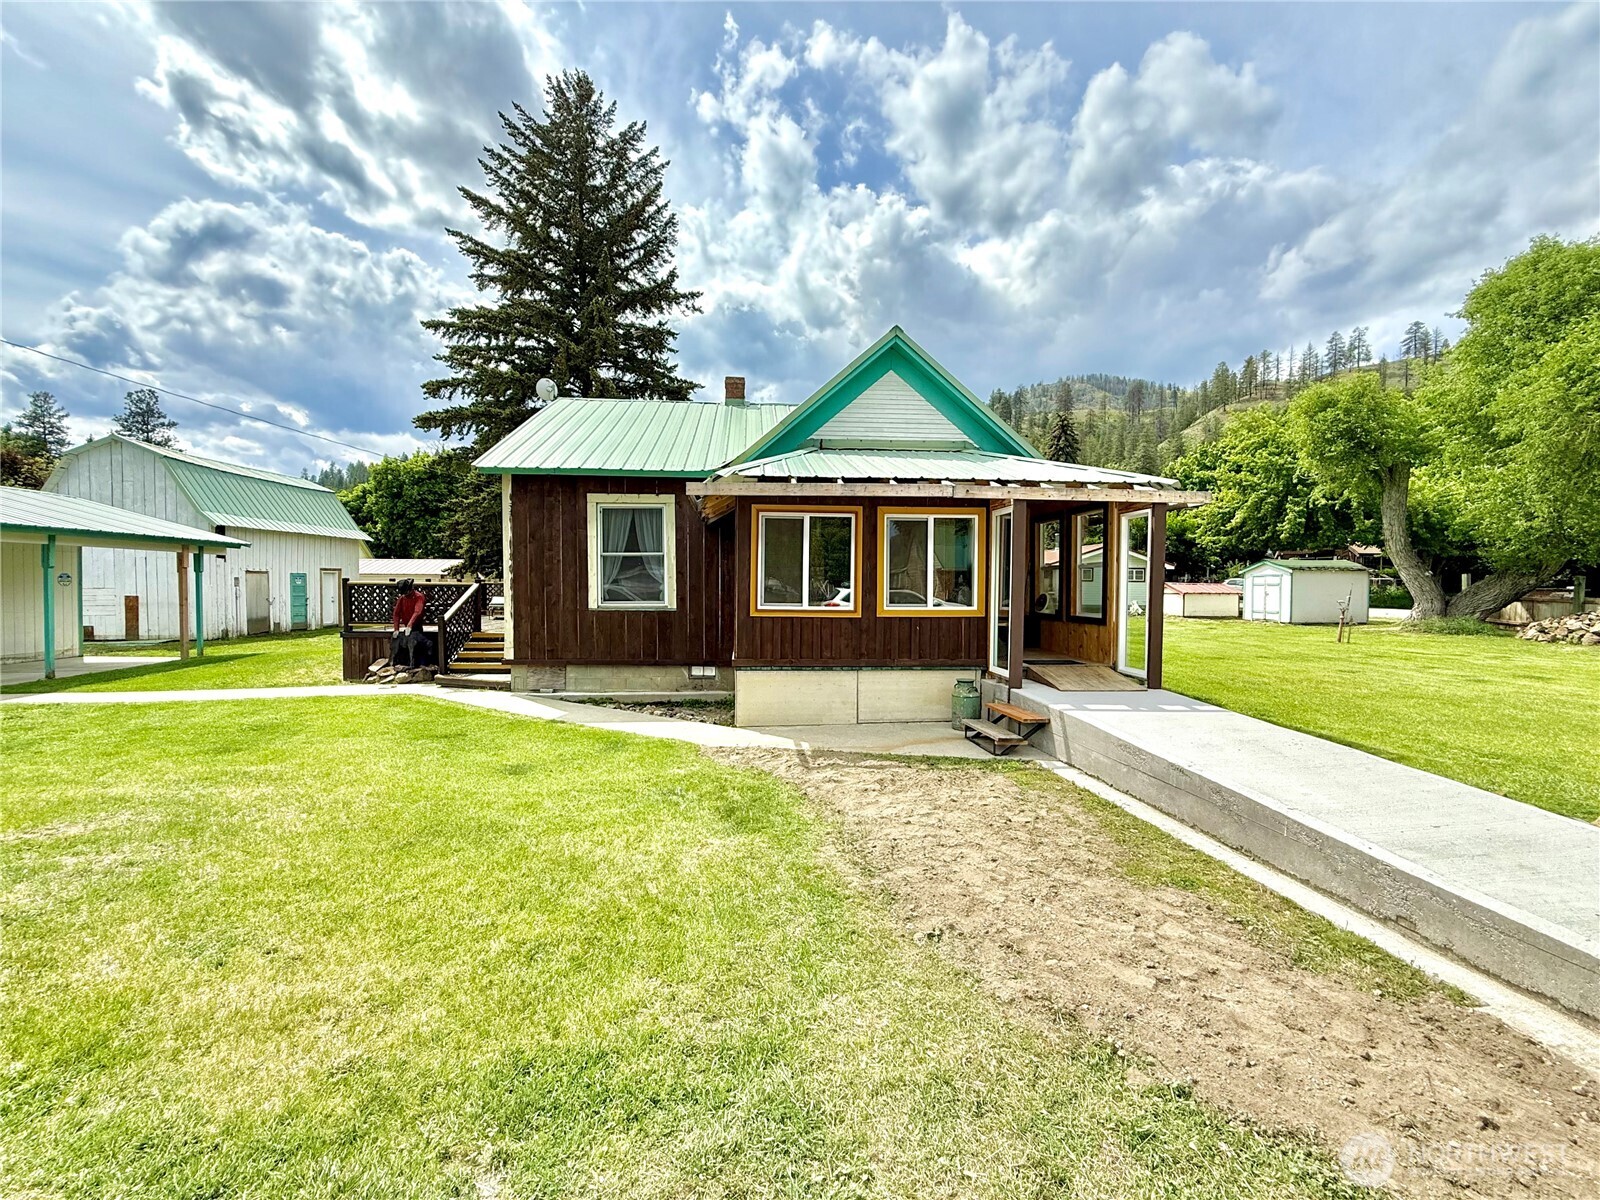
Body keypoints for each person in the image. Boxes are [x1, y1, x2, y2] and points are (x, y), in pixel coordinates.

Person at [390, 579, 428, 669]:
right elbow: (396, 613)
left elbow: (417, 612)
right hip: (406, 627)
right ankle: (398, 662)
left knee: (415, 642)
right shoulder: (402, 598)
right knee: (398, 641)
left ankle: (419, 664)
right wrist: (396, 629)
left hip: (417, 627)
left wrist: (410, 625)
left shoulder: (419, 597)